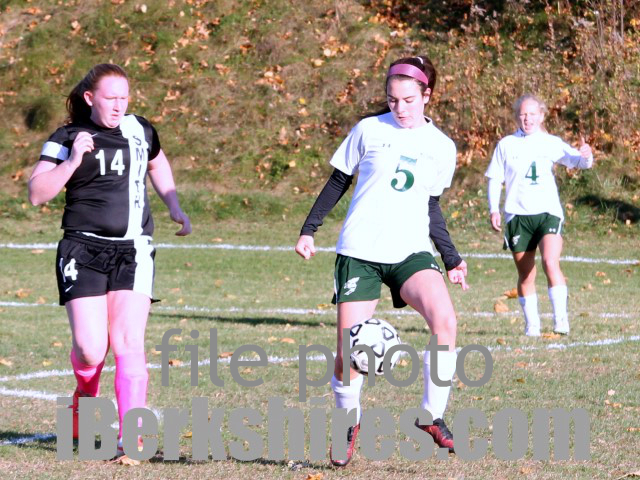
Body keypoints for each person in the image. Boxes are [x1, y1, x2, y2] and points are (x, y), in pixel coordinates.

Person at [295, 55, 468, 467]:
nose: (400, 108)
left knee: (445, 321)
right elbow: (339, 180)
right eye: (392, 100)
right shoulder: (368, 130)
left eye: (408, 100)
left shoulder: (442, 146)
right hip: (360, 251)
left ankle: (431, 415)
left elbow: (431, 206)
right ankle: (347, 424)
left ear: (427, 96)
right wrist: (309, 229)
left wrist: (451, 258)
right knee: (348, 349)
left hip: (411, 251)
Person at [28, 64, 191, 460]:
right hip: (82, 250)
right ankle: (84, 397)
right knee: (90, 349)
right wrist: (72, 162)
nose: (119, 106)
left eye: (124, 97)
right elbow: (36, 193)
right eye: (110, 98)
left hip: (133, 250)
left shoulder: (140, 130)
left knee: (129, 342)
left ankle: (131, 441)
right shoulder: (67, 137)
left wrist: (173, 204)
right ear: (90, 98)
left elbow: (157, 162)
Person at [485, 94, 593, 336]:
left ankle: (561, 321)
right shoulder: (506, 144)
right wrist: (493, 209)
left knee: (550, 262)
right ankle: (532, 325)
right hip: (517, 216)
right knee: (526, 274)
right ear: (517, 117)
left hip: (547, 213)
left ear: (542, 116)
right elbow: (495, 178)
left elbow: (578, 161)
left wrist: (587, 156)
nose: (527, 119)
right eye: (523, 114)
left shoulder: (551, 142)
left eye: (532, 114)